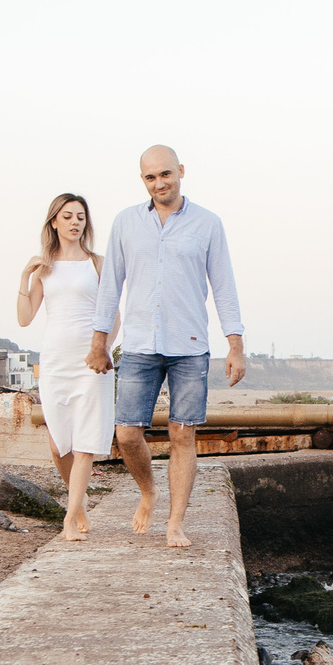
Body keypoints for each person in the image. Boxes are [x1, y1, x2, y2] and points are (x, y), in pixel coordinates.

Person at [87, 145, 244, 548]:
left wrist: (235, 345)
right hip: (139, 342)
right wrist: (99, 341)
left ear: (181, 172)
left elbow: (223, 286)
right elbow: (110, 287)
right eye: (150, 177)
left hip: (190, 345)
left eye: (165, 175)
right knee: (125, 434)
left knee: (182, 436)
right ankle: (148, 491)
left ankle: (175, 523)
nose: (159, 183)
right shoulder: (125, 223)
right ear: (143, 180)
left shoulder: (208, 224)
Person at [16, 192, 110, 541]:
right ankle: (79, 502)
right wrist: (25, 279)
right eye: (68, 216)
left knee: (84, 442)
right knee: (59, 446)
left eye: (81, 217)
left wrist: (102, 348)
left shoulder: (98, 263)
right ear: (54, 221)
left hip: (90, 360)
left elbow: (112, 314)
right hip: (55, 361)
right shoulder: (45, 268)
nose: (75, 222)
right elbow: (25, 319)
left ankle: (70, 516)